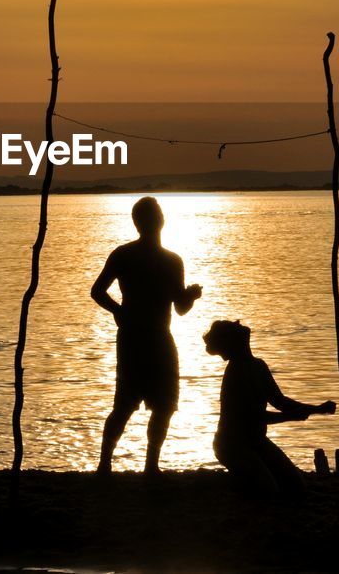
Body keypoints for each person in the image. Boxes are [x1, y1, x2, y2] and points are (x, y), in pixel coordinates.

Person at [91, 196, 203, 475]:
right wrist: (118, 311)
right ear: (159, 221)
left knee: (158, 405)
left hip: (153, 337)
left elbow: (179, 307)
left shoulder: (163, 260)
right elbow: (97, 291)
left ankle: (142, 464)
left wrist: (190, 295)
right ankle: (111, 463)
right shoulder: (135, 256)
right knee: (130, 404)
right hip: (140, 338)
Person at [203, 319, 335, 495]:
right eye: (236, 329)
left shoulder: (258, 365)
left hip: (257, 440)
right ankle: (231, 483)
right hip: (232, 445)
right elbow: (255, 416)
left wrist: (317, 409)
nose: (242, 327)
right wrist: (292, 416)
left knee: (296, 486)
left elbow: (280, 401)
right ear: (233, 341)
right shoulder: (235, 373)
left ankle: (245, 477)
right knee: (269, 491)